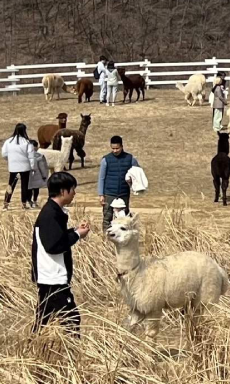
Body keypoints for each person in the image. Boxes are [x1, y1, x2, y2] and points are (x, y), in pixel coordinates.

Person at [32, 171, 90, 333]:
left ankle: (33, 348)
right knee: (72, 319)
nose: (74, 193)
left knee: (44, 320)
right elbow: (53, 246)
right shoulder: (50, 214)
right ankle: (71, 353)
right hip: (52, 277)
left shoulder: (53, 212)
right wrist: (77, 234)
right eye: (72, 189)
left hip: (49, 276)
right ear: (63, 191)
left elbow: (56, 237)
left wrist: (74, 230)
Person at [97, 135, 141, 233]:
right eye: (113, 148)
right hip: (109, 193)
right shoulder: (106, 160)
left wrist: (134, 183)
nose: (115, 150)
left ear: (122, 146)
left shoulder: (130, 159)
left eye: (117, 148)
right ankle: (105, 239)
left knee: (124, 219)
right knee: (107, 218)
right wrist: (101, 195)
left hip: (123, 193)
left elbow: (138, 174)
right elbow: (101, 178)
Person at [1, 123, 36, 210]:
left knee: (11, 185)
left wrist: (10, 160)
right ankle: (24, 204)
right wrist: (33, 167)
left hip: (13, 167)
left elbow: (4, 154)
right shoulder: (26, 142)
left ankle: (6, 203)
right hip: (25, 166)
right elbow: (31, 156)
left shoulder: (8, 141)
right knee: (24, 185)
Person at [27, 139, 49, 209]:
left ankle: (29, 201)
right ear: (36, 147)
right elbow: (42, 167)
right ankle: (34, 201)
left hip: (27, 176)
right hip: (37, 175)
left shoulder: (24, 156)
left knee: (28, 189)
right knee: (36, 189)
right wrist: (44, 176)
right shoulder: (39, 156)